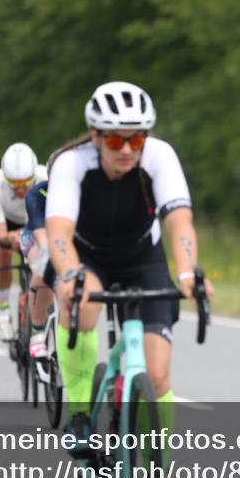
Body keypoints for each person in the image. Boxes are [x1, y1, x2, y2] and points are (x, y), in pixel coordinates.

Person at [46, 81, 213, 452]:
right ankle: (79, 414)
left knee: (156, 378)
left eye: (135, 141)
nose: (126, 150)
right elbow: (59, 230)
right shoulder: (70, 163)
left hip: (141, 257)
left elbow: (178, 220)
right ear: (95, 135)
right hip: (88, 255)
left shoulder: (159, 156)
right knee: (82, 302)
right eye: (115, 141)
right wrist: (71, 277)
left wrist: (187, 272)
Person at [0, 143, 48, 342]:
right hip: (9, 223)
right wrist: (12, 238)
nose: (21, 190)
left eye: (26, 183)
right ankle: (3, 313)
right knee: (3, 252)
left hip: (38, 218)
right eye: (14, 184)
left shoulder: (47, 177)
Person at [19, 179, 55, 359]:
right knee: (42, 269)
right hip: (35, 236)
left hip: (63, 238)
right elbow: (41, 234)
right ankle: (38, 333)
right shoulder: (37, 193)